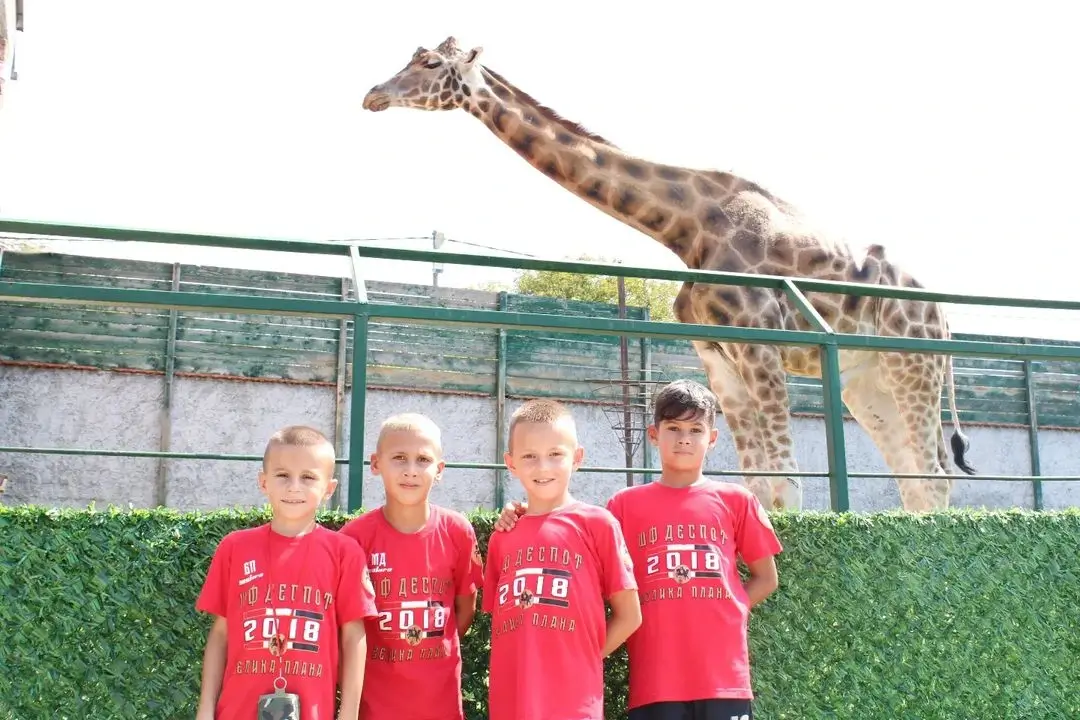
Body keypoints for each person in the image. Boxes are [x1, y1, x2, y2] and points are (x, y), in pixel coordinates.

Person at [495, 380, 783, 720]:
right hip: (655, 680)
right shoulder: (622, 506)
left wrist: (727, 607)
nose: (684, 439)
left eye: (695, 430)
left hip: (725, 678)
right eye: (673, 428)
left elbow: (766, 578)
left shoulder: (737, 500)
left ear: (713, 438)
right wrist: (520, 514)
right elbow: (574, 549)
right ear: (653, 434)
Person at [195, 425, 378, 720]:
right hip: (236, 711)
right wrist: (205, 709)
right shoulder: (234, 547)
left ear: (329, 489)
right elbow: (220, 634)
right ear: (263, 482)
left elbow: (353, 636)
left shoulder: (344, 552)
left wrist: (349, 714)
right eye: (282, 475)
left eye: (308, 477)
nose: (294, 487)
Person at [484, 398, 642, 720]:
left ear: (577, 458)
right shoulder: (503, 536)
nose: (543, 467)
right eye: (529, 456)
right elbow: (502, 625)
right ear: (511, 464)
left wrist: (583, 659)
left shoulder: (598, 524)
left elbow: (630, 616)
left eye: (555, 454)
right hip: (510, 706)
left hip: (574, 706)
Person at [338, 413, 484, 720]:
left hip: (441, 707)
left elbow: (464, 609)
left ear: (439, 470)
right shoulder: (353, 539)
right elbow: (345, 629)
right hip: (375, 709)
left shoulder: (457, 531)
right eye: (399, 458)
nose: (411, 470)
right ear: (376, 463)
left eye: (423, 460)